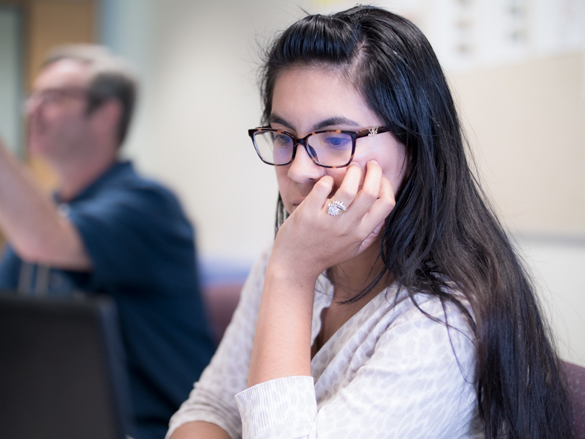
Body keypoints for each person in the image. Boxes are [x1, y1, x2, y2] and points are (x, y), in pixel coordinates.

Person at [166, 6, 573, 439]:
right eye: (284, 137)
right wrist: (290, 270)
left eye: (337, 138)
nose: (300, 169)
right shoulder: (287, 256)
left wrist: (290, 278)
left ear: (414, 146)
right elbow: (210, 408)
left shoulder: (445, 320)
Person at [0, 44, 215, 439]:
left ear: (106, 115)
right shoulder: (40, 223)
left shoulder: (148, 206)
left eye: (53, 98)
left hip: (149, 429)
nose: (33, 109)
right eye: (32, 97)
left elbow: (47, 240)